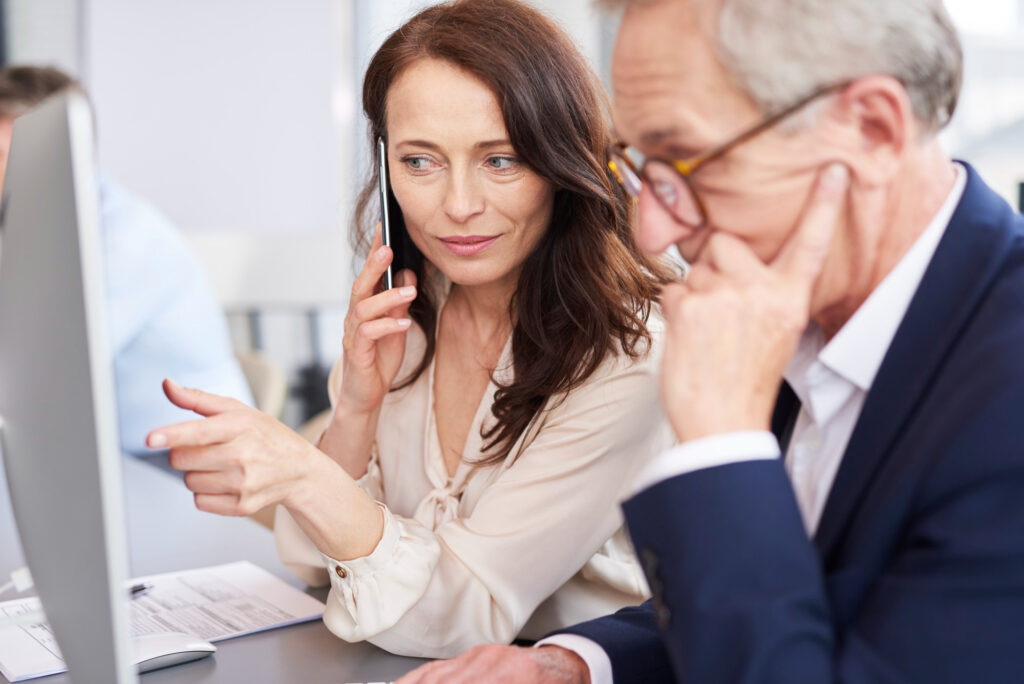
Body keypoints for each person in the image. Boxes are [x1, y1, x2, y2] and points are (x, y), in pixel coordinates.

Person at [398, 0, 1024, 682]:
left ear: (872, 130)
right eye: (638, 167)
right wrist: (570, 665)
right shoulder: (803, 312)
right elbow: (772, 599)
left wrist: (722, 444)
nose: (653, 232)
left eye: (688, 164)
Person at [145, 0, 676, 659]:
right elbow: (316, 561)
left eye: (501, 160)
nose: (458, 205)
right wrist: (356, 409)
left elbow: (468, 615)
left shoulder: (628, 355)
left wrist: (305, 474)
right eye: (420, 161)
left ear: (561, 164)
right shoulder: (408, 312)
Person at [0, 65, 253, 454]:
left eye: (3, 155)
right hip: (114, 458)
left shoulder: (125, 238)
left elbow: (32, 375)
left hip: (194, 464)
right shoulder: (34, 222)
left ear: (57, 153)